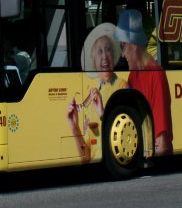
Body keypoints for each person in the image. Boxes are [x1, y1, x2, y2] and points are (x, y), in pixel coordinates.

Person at [117, 8, 173, 156]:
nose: (122, 55)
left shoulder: (156, 73)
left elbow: (163, 143)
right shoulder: (133, 76)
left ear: (134, 44)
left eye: (122, 46)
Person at [68, 22, 126, 162]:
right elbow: (86, 156)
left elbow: (124, 136)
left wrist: (102, 113)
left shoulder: (122, 87)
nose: (105, 56)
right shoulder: (92, 96)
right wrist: (74, 127)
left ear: (114, 54)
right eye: (99, 51)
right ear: (93, 60)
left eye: (108, 49)